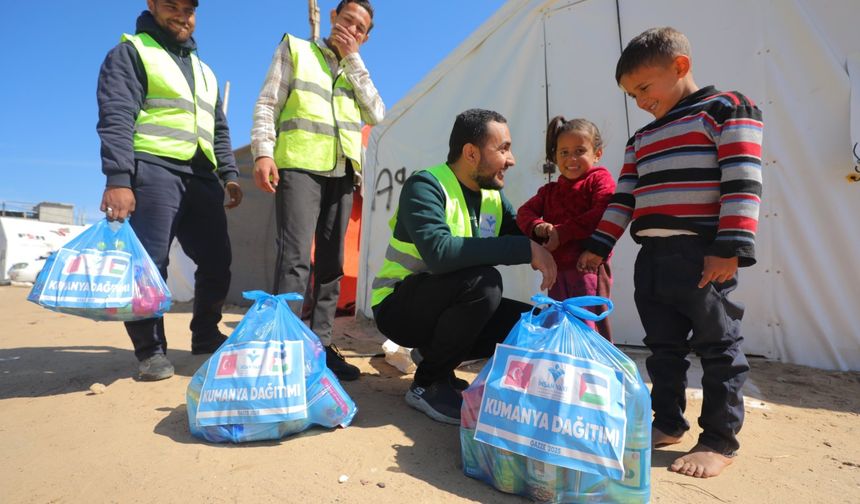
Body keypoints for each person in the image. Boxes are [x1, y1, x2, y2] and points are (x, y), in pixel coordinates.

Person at [578, 27, 763, 478]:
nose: (639, 99)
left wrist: (731, 248)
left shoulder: (725, 109)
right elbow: (623, 198)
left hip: (703, 256)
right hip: (653, 258)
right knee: (661, 348)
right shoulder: (640, 137)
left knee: (719, 346)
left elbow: (742, 179)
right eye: (631, 93)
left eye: (644, 87)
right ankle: (668, 422)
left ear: (680, 66)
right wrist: (598, 246)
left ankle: (719, 440)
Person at [371, 109, 558, 424]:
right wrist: (525, 247)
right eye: (503, 149)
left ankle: (435, 358)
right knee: (485, 285)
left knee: (534, 322)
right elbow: (440, 253)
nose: (511, 159)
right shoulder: (425, 186)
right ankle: (427, 383)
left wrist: (541, 233)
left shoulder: (492, 197)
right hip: (398, 307)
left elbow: (520, 238)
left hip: (442, 303)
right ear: (471, 153)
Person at [97, 0, 243, 381]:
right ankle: (151, 352)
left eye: (189, 9)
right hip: (154, 170)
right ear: (151, 5)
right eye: (171, 6)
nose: (182, 15)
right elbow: (116, 115)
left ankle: (206, 335)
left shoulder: (204, 71)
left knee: (217, 260)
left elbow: (219, 130)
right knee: (150, 266)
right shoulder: (132, 52)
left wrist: (228, 173)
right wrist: (118, 179)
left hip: (201, 176)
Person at [251, 0, 384, 382]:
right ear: (332, 18)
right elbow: (267, 104)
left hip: (342, 173)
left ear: (365, 37)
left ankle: (321, 348)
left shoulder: (356, 70)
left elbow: (376, 113)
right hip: (299, 165)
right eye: (347, 21)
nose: (351, 31)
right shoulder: (296, 48)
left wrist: (354, 61)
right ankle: (285, 350)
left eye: (360, 29)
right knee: (295, 259)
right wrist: (263, 152)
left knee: (331, 265)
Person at [516, 116, 616, 341]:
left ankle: (593, 372)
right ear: (554, 156)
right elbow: (523, 214)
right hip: (556, 271)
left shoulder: (599, 180)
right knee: (559, 325)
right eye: (564, 152)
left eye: (580, 151)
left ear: (597, 154)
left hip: (588, 269)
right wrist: (538, 226)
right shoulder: (549, 190)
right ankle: (563, 371)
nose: (571, 159)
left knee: (587, 325)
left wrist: (562, 233)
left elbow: (603, 212)